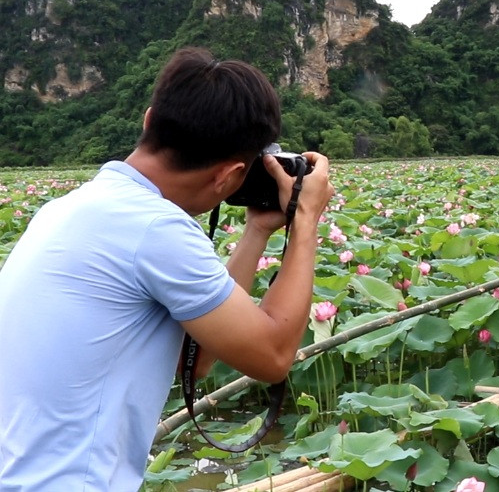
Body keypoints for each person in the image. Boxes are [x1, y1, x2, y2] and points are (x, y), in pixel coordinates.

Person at [0, 47, 335, 491]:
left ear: (148, 120)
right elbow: (272, 357)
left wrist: (256, 232)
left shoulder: (68, 208)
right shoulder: (156, 228)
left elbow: (194, 357)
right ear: (229, 175)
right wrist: (306, 219)